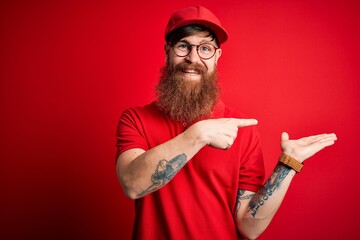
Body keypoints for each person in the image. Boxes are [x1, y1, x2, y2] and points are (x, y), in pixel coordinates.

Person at [115, 5, 337, 240]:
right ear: (167, 51)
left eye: (205, 48)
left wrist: (288, 165)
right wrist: (197, 134)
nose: (193, 58)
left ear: (217, 56)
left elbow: (249, 228)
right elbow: (132, 184)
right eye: (183, 46)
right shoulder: (135, 119)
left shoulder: (243, 130)